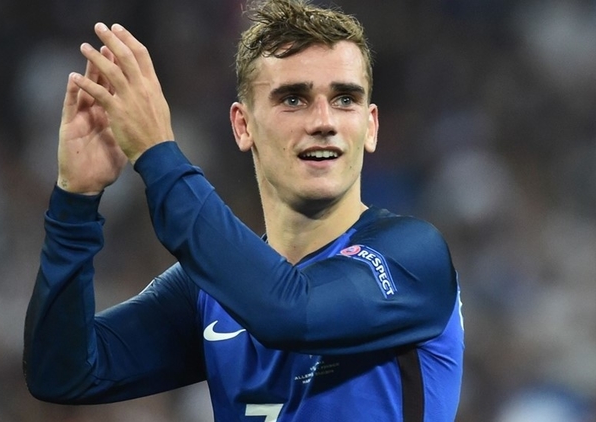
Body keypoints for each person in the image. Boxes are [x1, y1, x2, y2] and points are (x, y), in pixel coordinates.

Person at [23, 0, 464, 420]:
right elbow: (63, 372)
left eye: (345, 99)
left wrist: (158, 154)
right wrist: (75, 203)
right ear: (242, 125)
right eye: (294, 99)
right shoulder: (211, 291)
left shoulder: (413, 256)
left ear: (370, 126)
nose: (324, 121)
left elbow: (293, 313)